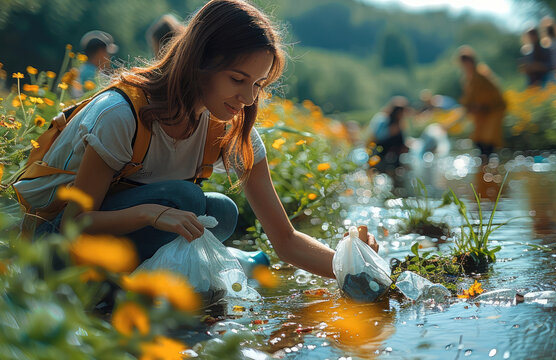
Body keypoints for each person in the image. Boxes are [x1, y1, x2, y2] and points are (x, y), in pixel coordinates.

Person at [15, 0, 377, 279]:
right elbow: (75, 221)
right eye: (237, 79)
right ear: (198, 61)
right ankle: (109, 287)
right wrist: (152, 214)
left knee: (221, 212)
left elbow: (285, 239)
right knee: (186, 199)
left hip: (113, 234)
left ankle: (135, 282)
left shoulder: (227, 126)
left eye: (258, 84)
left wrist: (355, 267)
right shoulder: (121, 113)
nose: (248, 99)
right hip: (52, 240)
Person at [457, 45, 506, 157]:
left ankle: (489, 171)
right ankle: (484, 171)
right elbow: (469, 99)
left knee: (487, 144)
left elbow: (491, 95)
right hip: (481, 115)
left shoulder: (481, 74)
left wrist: (477, 106)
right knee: (479, 143)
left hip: (492, 112)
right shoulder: (469, 78)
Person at [367, 96, 410, 174]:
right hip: (380, 154)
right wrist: (390, 132)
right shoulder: (383, 119)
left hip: (394, 156)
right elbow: (376, 136)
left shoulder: (399, 123)